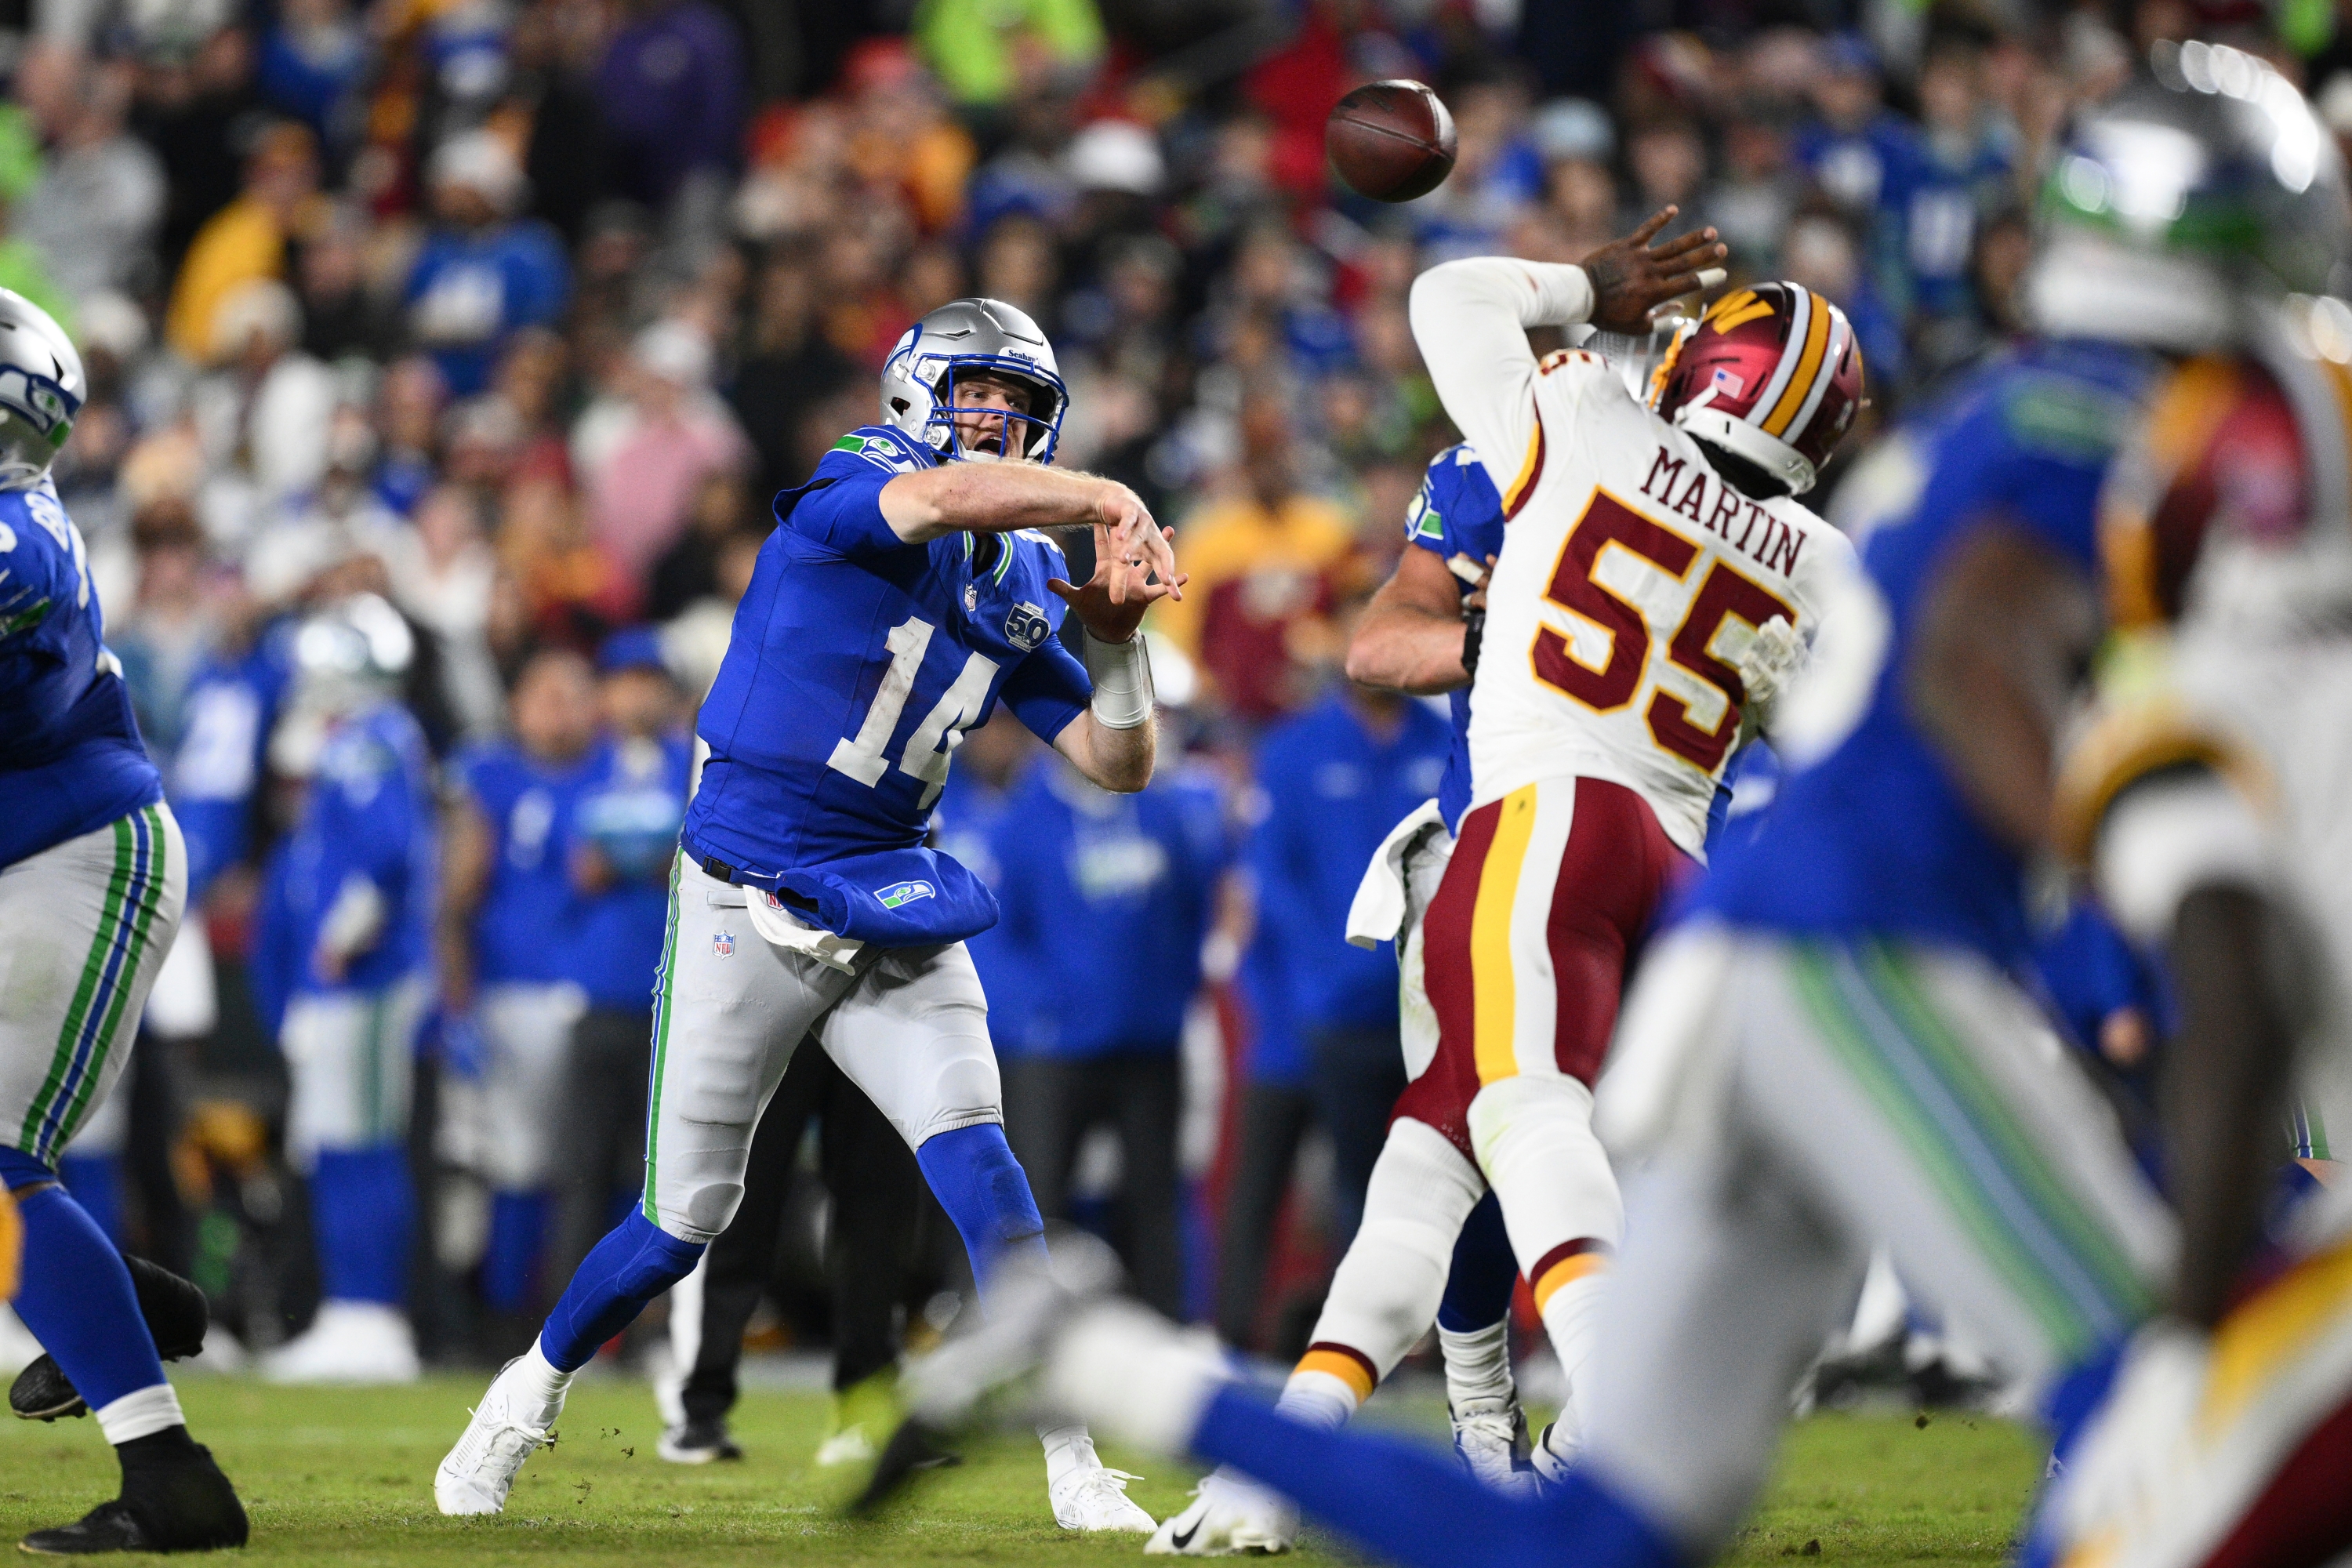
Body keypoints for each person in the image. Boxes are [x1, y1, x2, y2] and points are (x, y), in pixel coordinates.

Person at [1167, 214, 1865, 1552]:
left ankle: (1611, 1439)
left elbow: (1449, 296)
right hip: (1677, 863)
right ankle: (1280, 1467)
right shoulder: (1819, 564)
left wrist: (1585, 285)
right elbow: (1850, 744)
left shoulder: (1587, 415)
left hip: (1543, 818)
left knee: (1526, 1121)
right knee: (1425, 1164)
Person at [434, 295, 1184, 1533]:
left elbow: (1119, 763)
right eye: (975, 396)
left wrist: (1112, 641)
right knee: (682, 1222)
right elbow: (934, 505)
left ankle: (1075, 1468)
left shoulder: (1024, 572)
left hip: (888, 882)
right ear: (915, 395)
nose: (994, 423)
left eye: (1018, 406)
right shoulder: (870, 470)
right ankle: (520, 1398)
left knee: (983, 1166)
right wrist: (1104, 498)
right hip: (750, 881)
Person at [1158, 441, 1529, 1554]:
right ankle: (1460, 1424)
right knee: (1405, 1186)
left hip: (1525, 915)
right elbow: (1270, 896)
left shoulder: (1438, 726)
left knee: (1477, 1181)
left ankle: (1498, 1427)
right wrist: (1300, 1009)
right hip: (1348, 1007)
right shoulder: (1302, 743)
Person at [0, 286, 248, 1553]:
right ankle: (116, 1298)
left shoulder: (16, 542)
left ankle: (168, 1478)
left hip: (74, 857)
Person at [254, 593, 438, 1385]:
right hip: (348, 981)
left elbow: (387, 854)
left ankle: (369, 1312)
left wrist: (336, 940)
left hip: (366, 979)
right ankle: (351, 1309)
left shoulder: (370, 740)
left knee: (361, 1147)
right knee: (337, 1144)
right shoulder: (371, 738)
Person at [990, 728, 1233, 1320]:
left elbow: (1194, 907)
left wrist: (1174, 999)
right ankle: (1021, 1338)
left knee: (1156, 1202)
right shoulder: (1026, 814)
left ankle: (1169, 1336)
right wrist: (1039, 1016)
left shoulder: (1162, 809)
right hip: (1051, 1052)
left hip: (1149, 1043)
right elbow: (999, 928)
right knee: (1038, 1200)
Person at [440, 648, 600, 1333]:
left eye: (570, 694)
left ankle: (591, 1325)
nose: (557, 711)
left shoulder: (619, 771)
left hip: (602, 996)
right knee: (517, 1165)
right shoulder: (494, 778)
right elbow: (457, 896)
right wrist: (457, 1003)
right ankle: (508, 1319)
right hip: (514, 994)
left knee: (594, 1166)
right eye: (544, 694)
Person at [553, 630, 693, 1290]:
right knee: (582, 1169)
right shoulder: (580, 766)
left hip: (675, 995)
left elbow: (694, 866)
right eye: (625, 681)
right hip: (598, 986)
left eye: (649, 680)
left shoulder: (693, 765)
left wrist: (632, 861)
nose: (638, 694)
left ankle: (654, 1328)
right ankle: (563, 1331)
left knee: (665, 1176)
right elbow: (577, 870)